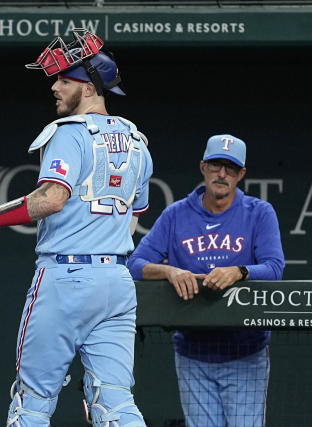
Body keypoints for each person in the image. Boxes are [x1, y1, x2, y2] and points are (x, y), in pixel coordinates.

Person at [0, 29, 152, 426]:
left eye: (64, 79)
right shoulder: (138, 142)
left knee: (32, 401)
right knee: (114, 403)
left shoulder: (68, 133)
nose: (54, 87)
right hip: (116, 280)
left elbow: (51, 199)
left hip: (65, 277)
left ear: (86, 88)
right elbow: (138, 211)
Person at [127, 134, 285, 427]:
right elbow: (134, 264)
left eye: (230, 168)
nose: (222, 174)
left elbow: (275, 268)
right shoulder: (177, 215)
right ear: (203, 167)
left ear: (241, 175)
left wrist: (240, 271)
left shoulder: (259, 213)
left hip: (245, 352)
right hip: (193, 353)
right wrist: (170, 271)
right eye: (216, 166)